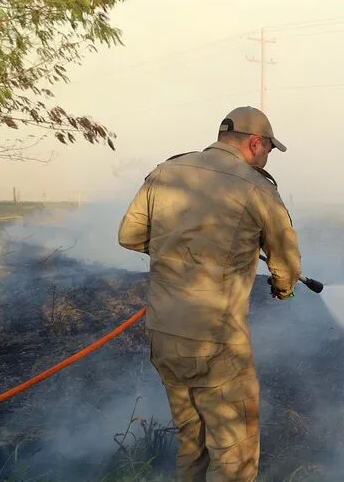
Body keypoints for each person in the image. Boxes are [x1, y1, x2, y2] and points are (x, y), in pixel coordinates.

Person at [117, 106, 302, 482]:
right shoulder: (257, 187)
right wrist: (284, 289)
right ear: (254, 143)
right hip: (216, 344)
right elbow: (285, 263)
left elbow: (130, 236)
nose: (267, 157)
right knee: (234, 455)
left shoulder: (166, 172)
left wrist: (179, 257)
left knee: (193, 441)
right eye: (268, 149)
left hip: (165, 336)